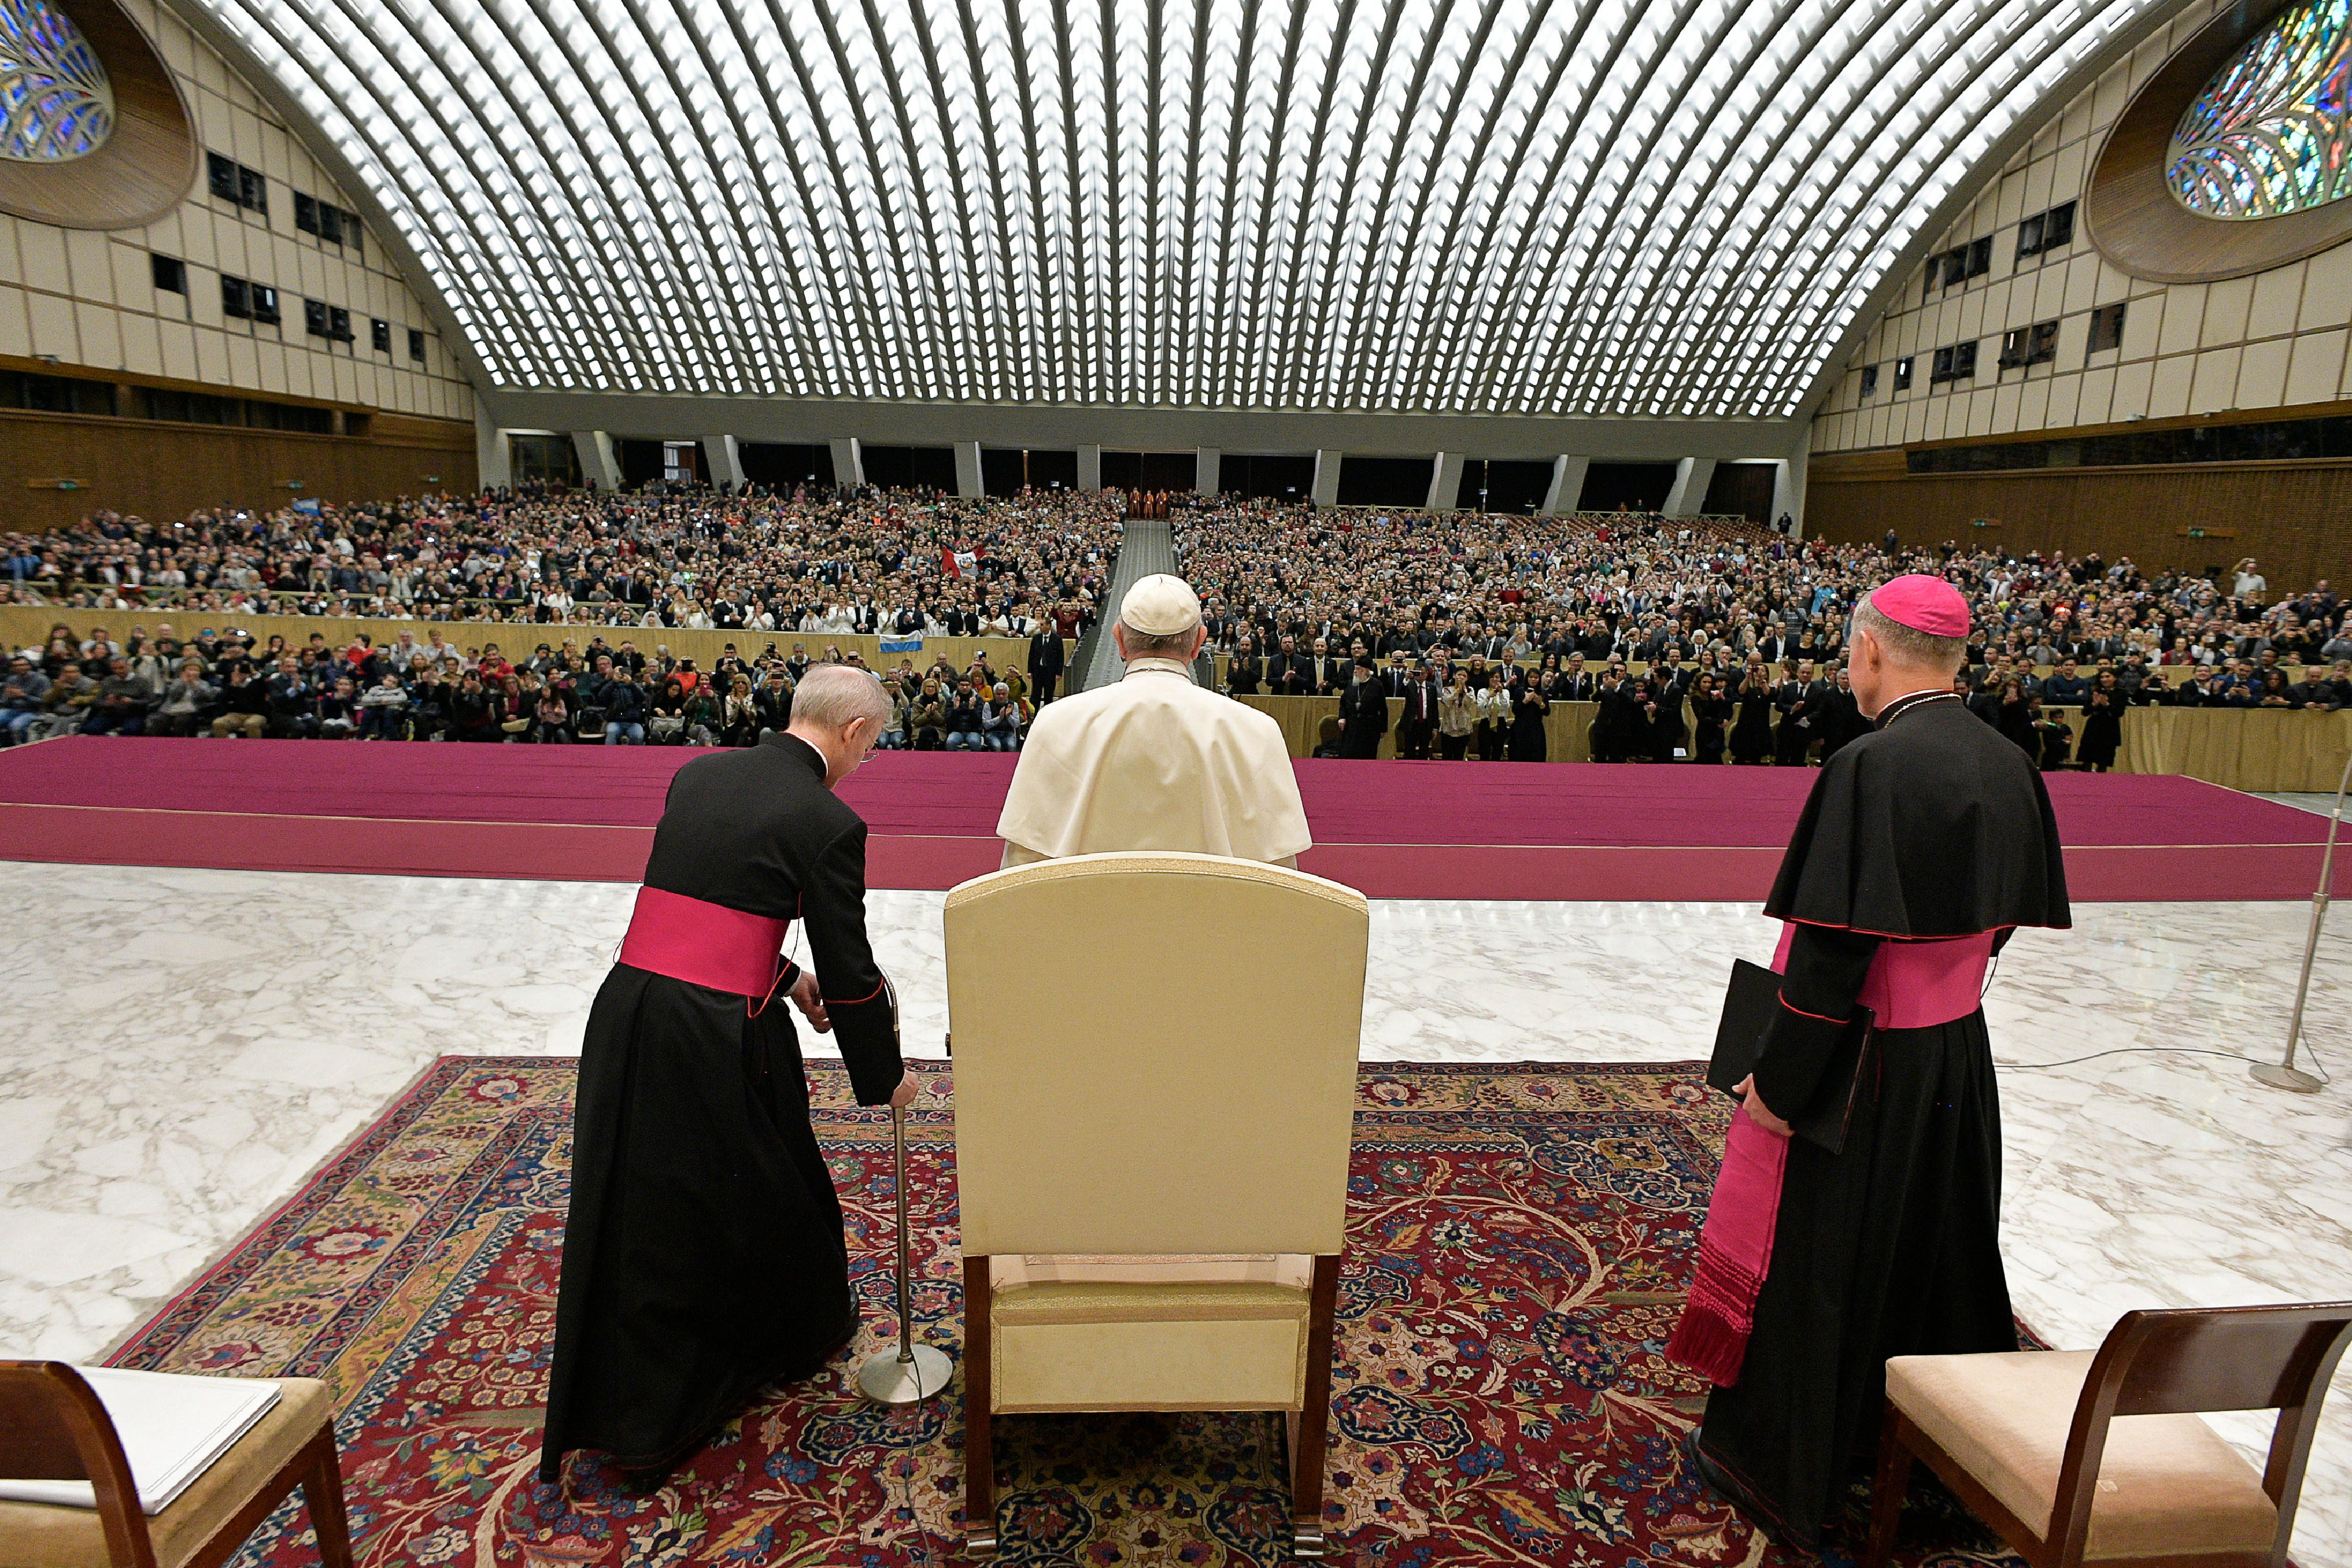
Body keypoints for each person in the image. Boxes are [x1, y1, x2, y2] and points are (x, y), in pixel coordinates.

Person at [1675, 574, 2070, 1548]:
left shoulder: (1869, 764)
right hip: (1955, 1052)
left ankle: (1789, 1462)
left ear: (1872, 650)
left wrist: (1781, 1085)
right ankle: (1932, 1443)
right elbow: (2002, 919)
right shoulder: (2009, 760)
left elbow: (1830, 957)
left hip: (1866, 1064)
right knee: (1936, 1242)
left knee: (1826, 1257)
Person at [542, 666, 916, 1492]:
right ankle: (673, 1407)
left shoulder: (699, 773)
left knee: (645, 1193)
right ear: (855, 731)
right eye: (872, 746)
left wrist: (782, 977)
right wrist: (883, 1074)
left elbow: (697, 909)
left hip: (631, 1008)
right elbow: (851, 970)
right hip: (714, 1035)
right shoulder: (830, 821)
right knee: (724, 1202)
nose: (866, 761)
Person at [996, 574, 1310, 866]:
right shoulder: (1257, 730)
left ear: (1119, 639)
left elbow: (1022, 869)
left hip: (1087, 908)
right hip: (1214, 908)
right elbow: (1280, 875)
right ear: (1199, 642)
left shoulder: (1056, 722)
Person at [1336, 657, 1388, 758]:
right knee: (1348, 755)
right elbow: (1343, 704)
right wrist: (1342, 717)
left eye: (1359, 669)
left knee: (1367, 756)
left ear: (1367, 671)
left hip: (1370, 727)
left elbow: (1383, 708)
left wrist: (1383, 729)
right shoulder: (1351, 684)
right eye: (1355, 669)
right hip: (1352, 725)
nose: (1355, 672)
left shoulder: (1377, 685)